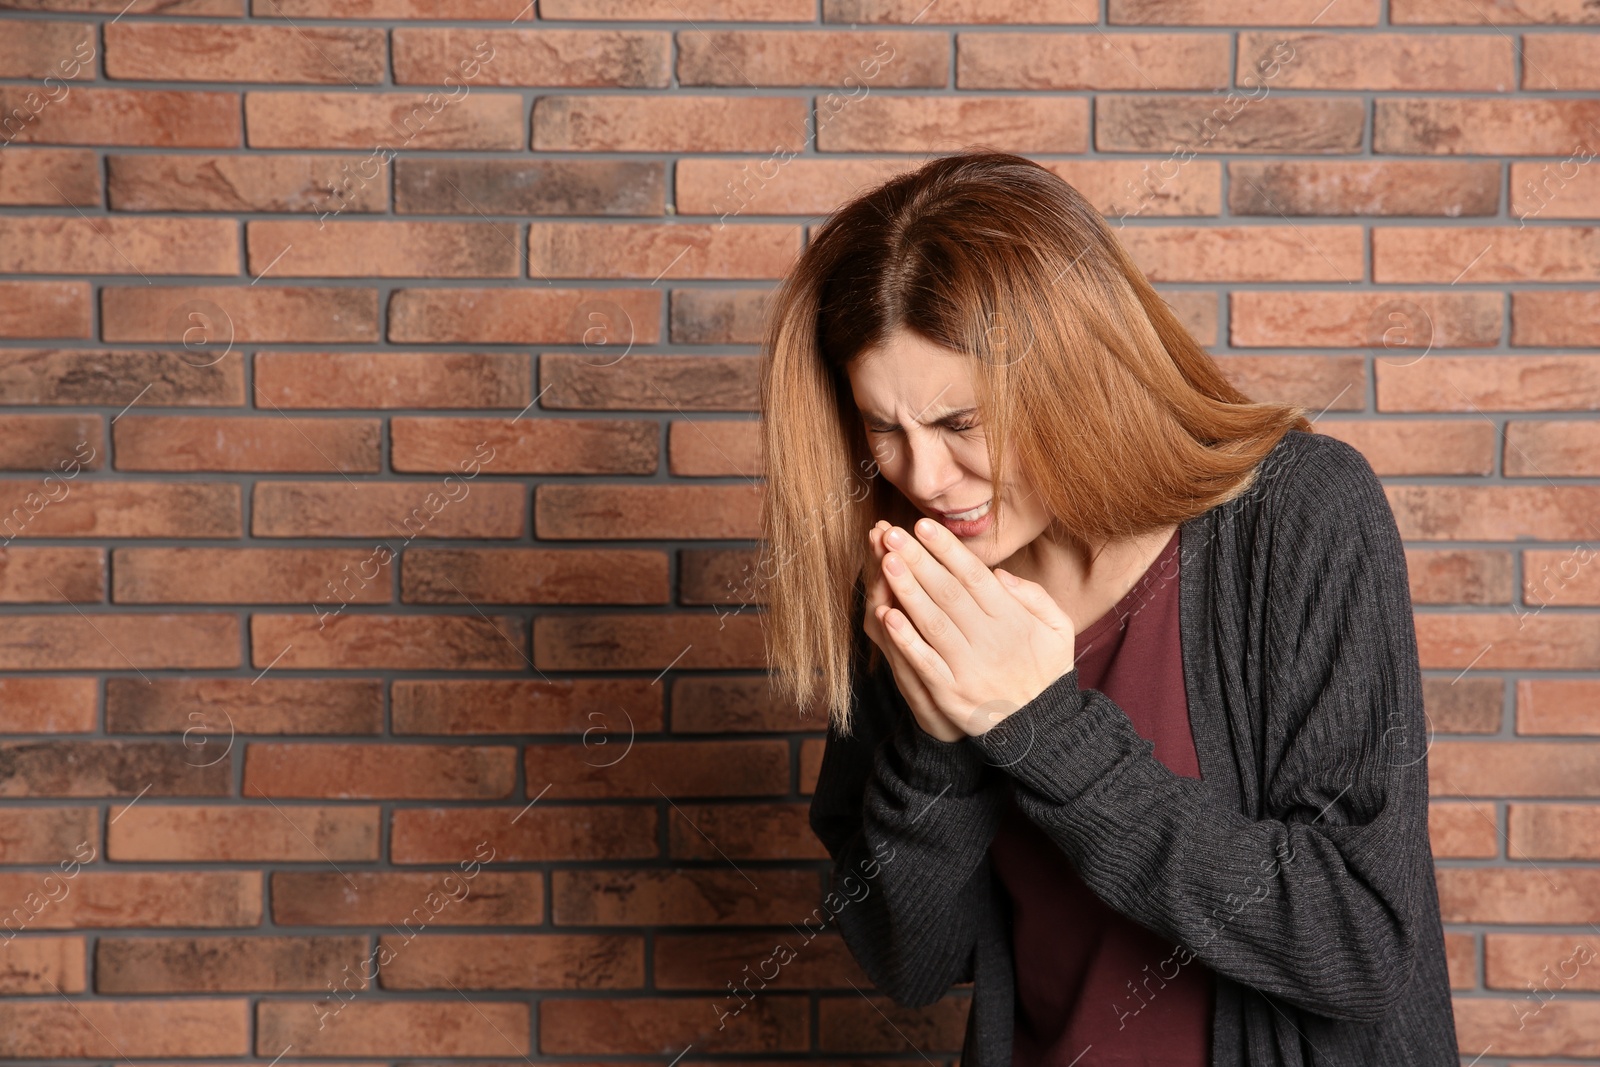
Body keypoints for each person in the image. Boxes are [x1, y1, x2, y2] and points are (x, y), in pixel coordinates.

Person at [758, 150, 1459, 1066]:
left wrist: (1040, 725)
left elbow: (1361, 942)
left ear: (1076, 374)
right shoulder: (919, 584)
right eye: (885, 429)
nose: (924, 478)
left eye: (961, 424)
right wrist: (935, 750)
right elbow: (913, 962)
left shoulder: (1299, 515)